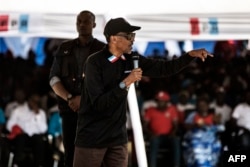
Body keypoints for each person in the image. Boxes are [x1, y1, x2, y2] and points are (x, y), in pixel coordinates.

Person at [73, 17, 213, 167]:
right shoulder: (94, 63)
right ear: (113, 39)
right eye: (128, 36)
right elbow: (99, 104)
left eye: (133, 36)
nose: (132, 40)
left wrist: (189, 56)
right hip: (92, 137)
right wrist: (126, 82)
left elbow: (164, 68)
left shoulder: (131, 59)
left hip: (117, 138)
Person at [49, 10, 105, 167]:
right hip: (69, 110)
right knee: (70, 156)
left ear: (94, 24)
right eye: (79, 21)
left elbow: (107, 82)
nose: (82, 25)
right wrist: (69, 98)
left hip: (94, 112)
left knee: (94, 156)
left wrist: (84, 100)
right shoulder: (64, 48)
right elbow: (53, 78)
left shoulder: (103, 50)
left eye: (86, 21)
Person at [6, 93, 48, 167]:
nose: (35, 103)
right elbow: (9, 125)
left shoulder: (41, 113)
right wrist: (17, 129)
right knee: (20, 138)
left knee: (40, 140)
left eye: (37, 102)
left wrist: (37, 116)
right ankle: (17, 164)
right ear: (29, 100)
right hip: (21, 135)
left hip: (35, 138)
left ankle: (39, 164)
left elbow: (44, 130)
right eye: (33, 101)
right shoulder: (18, 110)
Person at [143, 91, 180, 167]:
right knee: (154, 140)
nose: (159, 103)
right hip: (156, 136)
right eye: (158, 101)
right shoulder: (150, 110)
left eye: (162, 101)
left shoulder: (172, 109)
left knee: (176, 140)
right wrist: (151, 134)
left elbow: (176, 125)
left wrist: (173, 133)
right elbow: (144, 126)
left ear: (166, 102)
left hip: (169, 136)